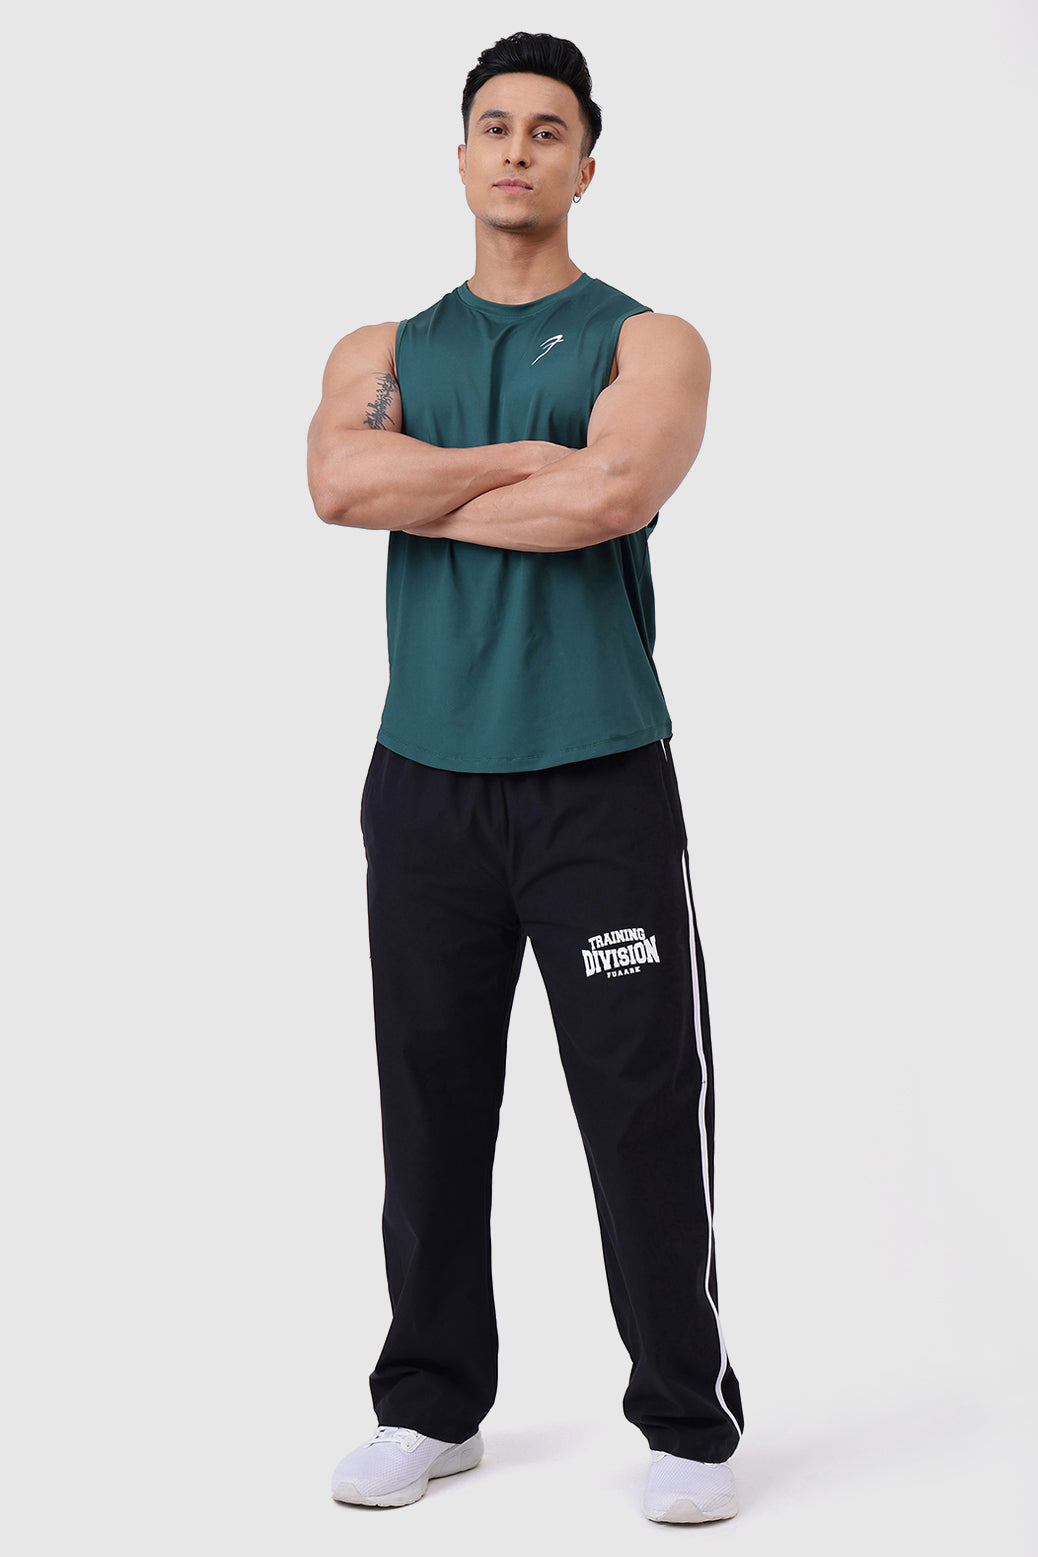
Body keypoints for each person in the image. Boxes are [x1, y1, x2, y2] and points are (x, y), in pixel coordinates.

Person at [306, 30, 746, 1525]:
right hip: (423, 780)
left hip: (593, 778)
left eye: (546, 130)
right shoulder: (378, 351)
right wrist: (529, 470)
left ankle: (686, 1418)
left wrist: (436, 481)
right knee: (428, 1099)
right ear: (458, 155)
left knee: (638, 1099)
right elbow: (338, 483)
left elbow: (611, 494)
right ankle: (428, 1405)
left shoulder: (648, 342)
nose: (516, 149)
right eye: (493, 125)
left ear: (584, 165)